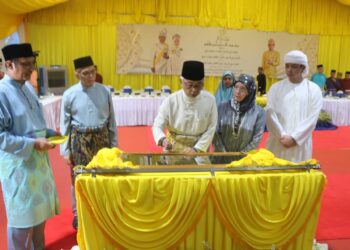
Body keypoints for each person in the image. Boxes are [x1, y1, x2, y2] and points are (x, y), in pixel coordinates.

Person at [0, 43, 59, 249]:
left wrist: (49, 133)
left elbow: (34, 124)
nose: (30, 69)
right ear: (9, 64)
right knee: (22, 222)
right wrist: (32, 143)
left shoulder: (28, 89)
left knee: (38, 220)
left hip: (37, 166)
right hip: (19, 167)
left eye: (32, 64)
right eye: (25, 64)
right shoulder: (2, 92)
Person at [60, 56, 118, 229]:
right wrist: (65, 151)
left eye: (93, 71)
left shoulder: (104, 91)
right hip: (80, 139)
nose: (91, 76)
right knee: (79, 177)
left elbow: (112, 121)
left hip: (102, 138)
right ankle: (78, 213)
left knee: (103, 175)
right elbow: (65, 125)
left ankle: (101, 211)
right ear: (77, 74)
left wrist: (114, 145)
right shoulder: (69, 94)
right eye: (86, 73)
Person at [266, 50, 323, 163]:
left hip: (300, 143)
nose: (289, 70)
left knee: (298, 175)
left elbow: (312, 118)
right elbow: (269, 113)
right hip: (278, 141)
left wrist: (295, 138)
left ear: (302, 68)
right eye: (287, 66)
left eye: (294, 66)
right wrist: (282, 135)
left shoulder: (313, 89)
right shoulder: (276, 88)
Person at [152, 60, 217, 153]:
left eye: (198, 85)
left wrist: (197, 148)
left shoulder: (210, 100)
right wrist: (162, 139)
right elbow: (157, 125)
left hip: (199, 147)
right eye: (190, 85)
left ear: (203, 83)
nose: (193, 90)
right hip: (173, 146)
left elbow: (211, 128)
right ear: (181, 82)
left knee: (201, 168)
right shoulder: (171, 101)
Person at [213, 74, 265, 162]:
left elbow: (257, 138)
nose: (238, 91)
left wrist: (240, 157)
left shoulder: (258, 112)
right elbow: (216, 132)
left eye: (243, 89)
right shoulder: (222, 107)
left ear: (250, 91)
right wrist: (223, 154)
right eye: (236, 87)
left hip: (244, 161)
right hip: (220, 159)